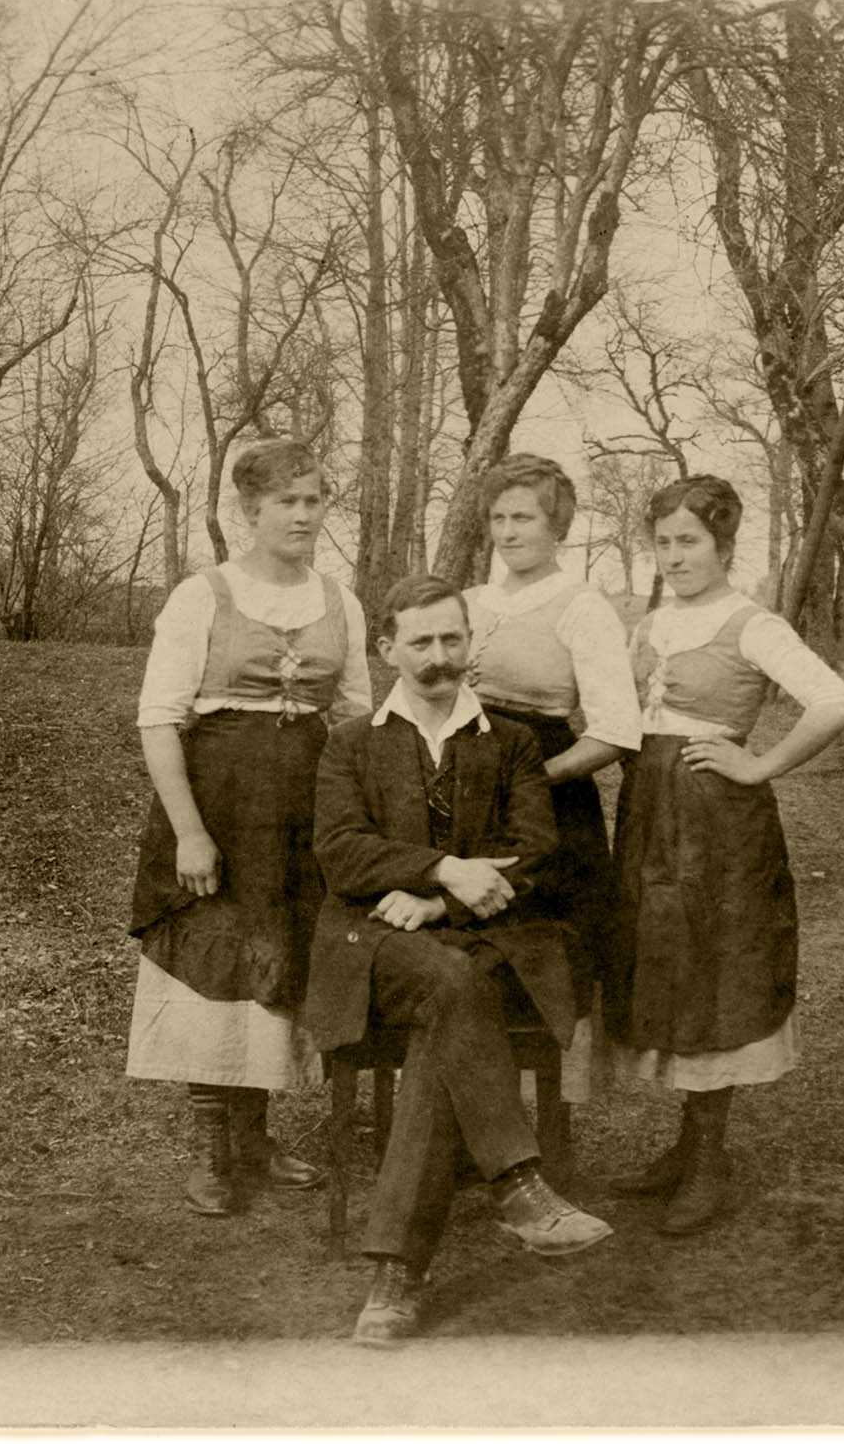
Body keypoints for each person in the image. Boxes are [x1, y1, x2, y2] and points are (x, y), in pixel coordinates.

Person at [306, 574, 612, 1347]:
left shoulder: (509, 741)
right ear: (387, 650)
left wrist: (443, 906)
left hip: (484, 938)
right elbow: (342, 851)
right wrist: (444, 868)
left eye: (452, 639)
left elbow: (537, 851)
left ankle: (398, 1274)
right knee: (452, 981)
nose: (439, 657)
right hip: (375, 942)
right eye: (421, 642)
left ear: (469, 642)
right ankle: (518, 1185)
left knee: (452, 993)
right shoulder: (349, 743)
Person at [604, 474, 844, 1236]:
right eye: (664, 542)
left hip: (717, 825)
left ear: (723, 546)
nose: (675, 556)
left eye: (690, 541)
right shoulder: (648, 627)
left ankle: (709, 1157)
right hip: (650, 815)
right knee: (669, 972)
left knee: (715, 974)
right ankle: (685, 1147)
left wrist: (757, 765)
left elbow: (837, 701)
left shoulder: (752, 624)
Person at [124, 438, 371, 1217]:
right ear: (249, 511)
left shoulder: (340, 599)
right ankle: (212, 1151)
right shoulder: (203, 596)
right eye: (287, 502)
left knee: (282, 957)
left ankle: (256, 1140)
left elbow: (358, 713)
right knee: (218, 960)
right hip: (219, 801)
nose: (304, 514)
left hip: (305, 805)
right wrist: (191, 832)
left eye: (315, 500)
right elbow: (159, 721)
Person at [464, 455, 641, 1101]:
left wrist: (533, 780)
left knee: (530, 965)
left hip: (546, 809)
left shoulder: (583, 607)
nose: (508, 532)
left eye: (524, 518)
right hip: (461, 798)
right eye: (498, 518)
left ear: (557, 525)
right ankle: (460, 1114)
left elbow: (617, 730)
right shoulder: (468, 603)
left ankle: (536, 1137)